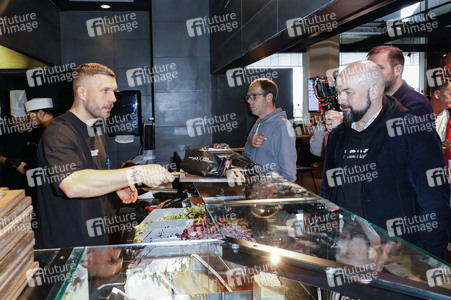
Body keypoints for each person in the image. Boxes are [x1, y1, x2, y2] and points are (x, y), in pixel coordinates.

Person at [35, 63, 174, 249]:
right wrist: (137, 173)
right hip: (67, 251)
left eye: (114, 91)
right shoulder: (59, 132)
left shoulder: (95, 129)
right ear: (82, 93)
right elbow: (73, 184)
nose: (114, 98)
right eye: (105, 91)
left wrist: (114, 186)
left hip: (96, 244)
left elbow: (90, 173)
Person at [321, 60, 450, 259]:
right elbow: (329, 192)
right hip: (346, 252)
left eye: (348, 92)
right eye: (339, 92)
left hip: (396, 259)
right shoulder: (338, 135)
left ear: (373, 91)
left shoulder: (413, 133)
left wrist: (426, 264)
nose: (340, 100)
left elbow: (435, 207)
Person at [243, 78, 297, 181]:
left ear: (269, 97)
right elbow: (245, 155)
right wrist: (250, 144)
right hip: (256, 190)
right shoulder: (258, 122)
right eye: (248, 97)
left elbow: (289, 175)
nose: (249, 101)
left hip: (270, 195)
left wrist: (272, 193)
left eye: (254, 96)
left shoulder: (282, 126)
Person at [367, 45, 433, 117]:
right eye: (370, 70)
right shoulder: (375, 100)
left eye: (379, 68)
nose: (372, 74)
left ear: (398, 70)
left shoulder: (417, 103)